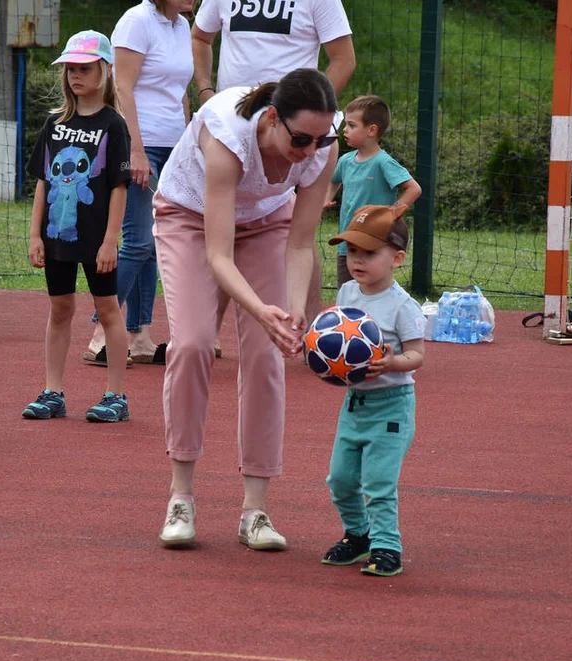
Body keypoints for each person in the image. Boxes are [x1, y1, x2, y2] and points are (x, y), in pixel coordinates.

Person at [153, 69, 339, 550]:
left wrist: (292, 312)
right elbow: (218, 256)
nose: (309, 151)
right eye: (300, 138)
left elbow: (301, 243)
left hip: (266, 225)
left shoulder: (321, 147)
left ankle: (255, 512)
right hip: (190, 219)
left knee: (266, 354)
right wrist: (260, 309)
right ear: (273, 118)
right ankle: (181, 499)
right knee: (192, 343)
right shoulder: (227, 133)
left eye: (321, 140)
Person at [191, 0, 355, 356]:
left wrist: (307, 119)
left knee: (299, 227)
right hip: (239, 130)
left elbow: (344, 58)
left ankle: (309, 331)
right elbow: (201, 37)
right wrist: (206, 91)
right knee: (224, 226)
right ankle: (209, 332)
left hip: (289, 132)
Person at [23, 31, 132, 423]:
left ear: (104, 71)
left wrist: (110, 240)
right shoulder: (55, 123)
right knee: (60, 308)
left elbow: (119, 188)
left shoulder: (113, 125)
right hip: (57, 237)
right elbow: (43, 182)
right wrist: (35, 234)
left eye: (84, 68)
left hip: (97, 240)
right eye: (70, 69)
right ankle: (53, 392)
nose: (75, 76)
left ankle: (116, 396)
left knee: (107, 310)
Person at [83, 0, 195, 367]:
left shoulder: (180, 26)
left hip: (173, 145)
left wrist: (189, 144)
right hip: (138, 141)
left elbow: (181, 93)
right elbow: (122, 88)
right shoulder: (136, 21)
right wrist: (136, 149)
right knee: (138, 239)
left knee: (153, 242)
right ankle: (102, 331)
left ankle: (140, 336)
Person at [320, 204, 425, 577]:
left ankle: (386, 546)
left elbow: (417, 355)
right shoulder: (348, 291)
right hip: (354, 404)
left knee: (378, 482)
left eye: (369, 252)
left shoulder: (402, 306)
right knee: (341, 479)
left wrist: (395, 362)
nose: (357, 260)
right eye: (352, 251)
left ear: (396, 258)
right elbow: (336, 337)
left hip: (392, 406)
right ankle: (358, 534)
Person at [325, 95, 422, 286]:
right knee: (346, 295)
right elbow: (332, 182)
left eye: (352, 125)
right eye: (346, 124)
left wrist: (392, 213)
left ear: (371, 130)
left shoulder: (383, 162)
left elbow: (414, 189)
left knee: (373, 293)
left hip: (375, 244)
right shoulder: (345, 161)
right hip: (347, 245)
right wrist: (326, 199)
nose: (345, 129)